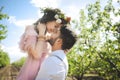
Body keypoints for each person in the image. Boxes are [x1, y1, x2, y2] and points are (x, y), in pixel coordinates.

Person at [17, 8, 71, 80]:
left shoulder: (47, 35)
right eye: (55, 26)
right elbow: (37, 55)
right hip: (32, 72)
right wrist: (41, 33)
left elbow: (60, 48)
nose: (55, 30)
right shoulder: (32, 30)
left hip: (44, 71)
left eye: (57, 28)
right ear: (48, 20)